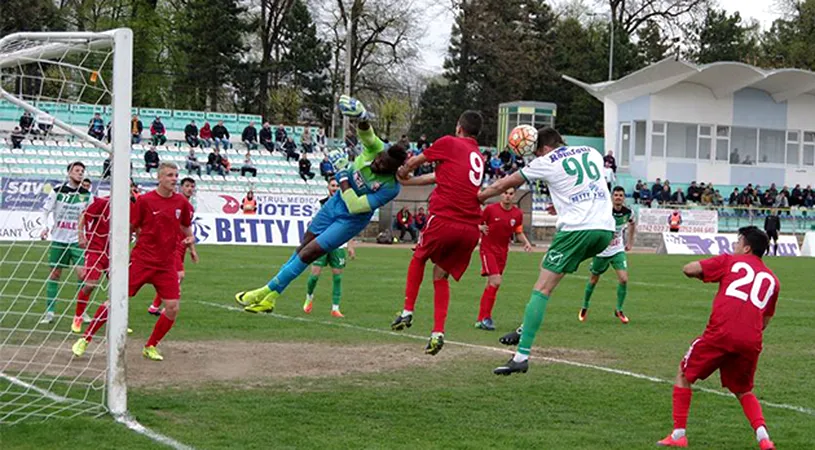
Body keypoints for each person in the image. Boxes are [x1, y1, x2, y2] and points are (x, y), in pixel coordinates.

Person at [235, 96, 407, 315]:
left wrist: (343, 175)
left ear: (391, 170)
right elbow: (367, 133)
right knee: (303, 246)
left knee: (310, 253)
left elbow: (355, 206)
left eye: (382, 165)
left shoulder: (391, 187)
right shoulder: (378, 149)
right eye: (378, 158)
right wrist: (361, 116)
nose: (376, 163)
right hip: (335, 204)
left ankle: (263, 292)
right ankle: (271, 298)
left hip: (350, 219)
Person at [482, 128, 614, 375]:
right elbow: (586, 183)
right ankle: (524, 327)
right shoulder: (592, 152)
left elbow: (506, 183)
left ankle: (521, 357)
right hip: (605, 231)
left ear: (541, 148)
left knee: (542, 288)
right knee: (546, 265)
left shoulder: (546, 161)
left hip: (577, 230)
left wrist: (478, 198)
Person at [656, 227, 778, 450]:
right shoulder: (772, 280)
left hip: (720, 334)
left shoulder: (730, 261)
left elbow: (689, 269)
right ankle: (764, 439)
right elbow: (765, 320)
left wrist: (704, 273)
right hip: (751, 340)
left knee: (684, 374)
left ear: (747, 247)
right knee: (743, 390)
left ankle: (678, 434)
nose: (735, 246)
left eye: (738, 242)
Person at [72, 163, 197, 362]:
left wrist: (191, 242)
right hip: (142, 261)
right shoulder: (145, 201)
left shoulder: (180, 202)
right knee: (115, 300)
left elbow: (185, 226)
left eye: (176, 175)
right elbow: (130, 227)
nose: (174, 179)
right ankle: (86, 338)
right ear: (159, 178)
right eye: (169, 175)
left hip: (165, 265)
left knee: (172, 307)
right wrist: (120, 252)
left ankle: (150, 346)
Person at [390, 109, 485, 356]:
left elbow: (413, 162)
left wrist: (401, 173)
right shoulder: (477, 155)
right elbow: (438, 176)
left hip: (445, 219)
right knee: (439, 275)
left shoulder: (449, 143)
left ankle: (407, 311)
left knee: (419, 256)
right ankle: (437, 333)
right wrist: (408, 183)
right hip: (470, 229)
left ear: (458, 127)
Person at [39, 162, 93, 324]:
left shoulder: (87, 195)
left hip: (77, 241)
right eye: (77, 170)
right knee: (55, 274)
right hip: (58, 240)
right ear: (69, 173)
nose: (80, 173)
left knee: (83, 275)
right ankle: (50, 312)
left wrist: (88, 235)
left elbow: (91, 217)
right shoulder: (57, 192)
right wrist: (44, 227)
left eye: (82, 171)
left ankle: (81, 312)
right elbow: (45, 211)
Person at [475, 187, 532, 331]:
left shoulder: (517, 214)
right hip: (488, 249)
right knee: (496, 281)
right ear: (501, 194)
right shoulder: (490, 210)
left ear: (514, 196)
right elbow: (476, 223)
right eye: (505, 193)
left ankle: (480, 319)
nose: (508, 196)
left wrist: (526, 242)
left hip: (503, 252)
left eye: (511, 194)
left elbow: (518, 232)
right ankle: (486, 318)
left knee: (491, 284)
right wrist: (480, 228)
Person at [580, 186, 635, 324]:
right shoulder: (604, 211)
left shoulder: (628, 212)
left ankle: (619, 310)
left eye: (621, 195)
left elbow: (633, 224)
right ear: (612, 197)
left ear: (624, 198)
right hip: (602, 251)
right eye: (616, 195)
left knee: (623, 279)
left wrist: (630, 242)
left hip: (617, 250)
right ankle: (585, 306)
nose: (618, 197)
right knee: (593, 280)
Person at [304, 179, 356, 318]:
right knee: (314, 276)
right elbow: (313, 224)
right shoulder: (320, 204)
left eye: (337, 186)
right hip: (321, 243)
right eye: (332, 185)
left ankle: (335, 308)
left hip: (338, 244)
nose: (335, 188)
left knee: (337, 277)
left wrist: (350, 245)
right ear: (328, 187)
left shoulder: (346, 204)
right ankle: (309, 297)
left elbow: (350, 226)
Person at [148, 177, 197, 317]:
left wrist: (192, 249)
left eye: (192, 186)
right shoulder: (174, 203)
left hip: (182, 246)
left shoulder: (189, 207)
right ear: (181, 187)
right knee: (178, 275)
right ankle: (166, 306)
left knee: (170, 276)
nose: (190, 189)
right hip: (172, 246)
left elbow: (187, 228)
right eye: (187, 186)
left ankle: (154, 306)